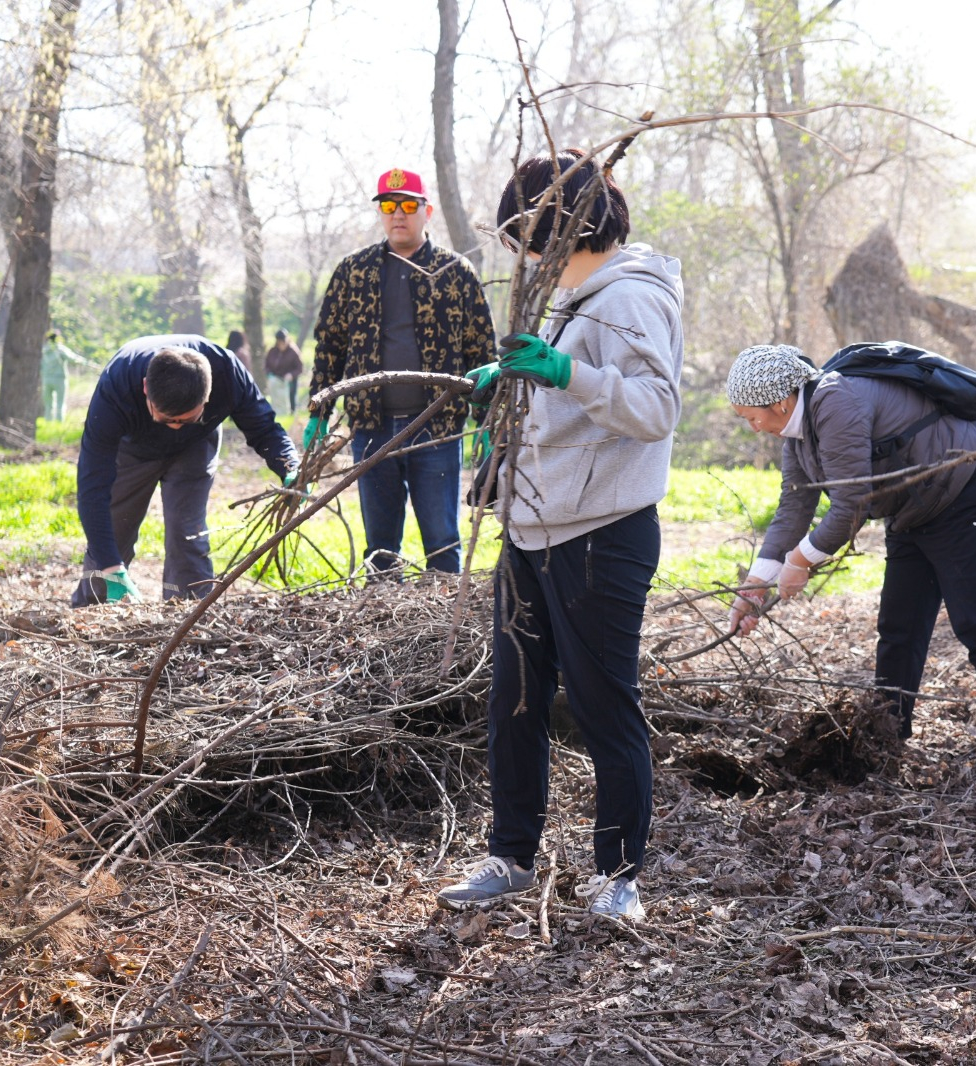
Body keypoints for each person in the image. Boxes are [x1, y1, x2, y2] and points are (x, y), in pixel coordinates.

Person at [436, 150, 683, 921]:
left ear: (563, 228)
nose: (524, 256)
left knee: (605, 704)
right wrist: (506, 384)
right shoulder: (566, 292)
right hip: (532, 527)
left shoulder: (632, 298)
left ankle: (619, 877)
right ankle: (510, 858)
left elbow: (654, 410)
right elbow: (554, 385)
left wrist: (561, 374)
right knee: (513, 702)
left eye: (529, 237)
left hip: (601, 533)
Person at [723, 344, 976, 773]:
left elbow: (850, 507)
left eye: (752, 417)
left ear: (780, 401)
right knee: (899, 629)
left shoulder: (834, 402)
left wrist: (802, 561)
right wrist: (755, 586)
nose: (752, 428)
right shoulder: (799, 434)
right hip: (914, 510)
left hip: (966, 494)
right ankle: (884, 743)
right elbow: (795, 506)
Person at [306, 167, 493, 575]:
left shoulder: (455, 272)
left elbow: (481, 351)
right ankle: (383, 628)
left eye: (409, 205)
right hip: (371, 426)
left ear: (427, 211)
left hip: (436, 428)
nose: (398, 214)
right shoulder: (353, 272)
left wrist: (488, 419)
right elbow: (330, 345)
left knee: (442, 542)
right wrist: (318, 411)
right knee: (380, 549)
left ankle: (444, 630)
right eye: (389, 206)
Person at [71, 335, 298, 606]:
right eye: (167, 418)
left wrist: (291, 467)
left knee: (187, 534)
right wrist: (110, 566)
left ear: (208, 396)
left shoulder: (228, 372)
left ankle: (187, 615)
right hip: (133, 450)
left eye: (187, 418)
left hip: (195, 445)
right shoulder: (117, 385)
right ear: (145, 389)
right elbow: (92, 485)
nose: (175, 426)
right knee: (113, 532)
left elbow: (264, 428)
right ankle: (93, 611)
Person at [41, 330, 90, 422]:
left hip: (46, 379)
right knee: (60, 402)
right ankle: (59, 421)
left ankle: (48, 421)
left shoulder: (44, 350)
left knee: (48, 404)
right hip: (59, 379)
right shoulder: (60, 349)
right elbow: (73, 359)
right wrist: (84, 362)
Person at [264, 328, 305, 414]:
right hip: (276, 380)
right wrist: (269, 373)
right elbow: (267, 365)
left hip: (290, 381)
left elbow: (300, 368)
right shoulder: (272, 351)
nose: (281, 345)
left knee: (291, 399)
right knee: (276, 400)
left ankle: (291, 414)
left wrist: (291, 375)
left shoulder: (293, 352)